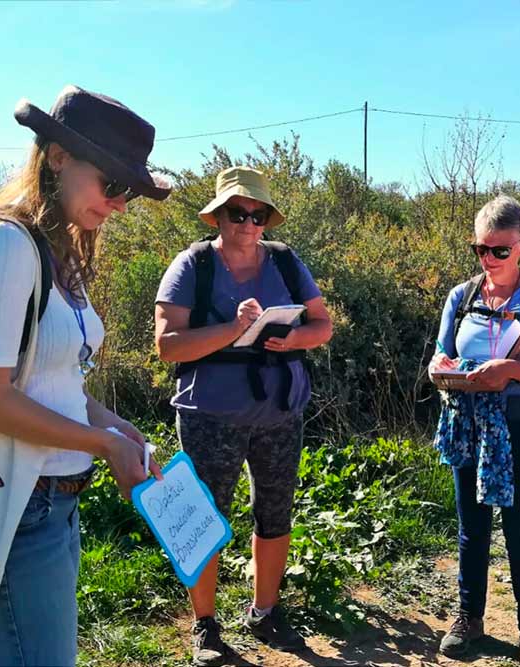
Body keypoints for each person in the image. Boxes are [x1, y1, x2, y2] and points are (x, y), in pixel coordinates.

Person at [0, 85, 168, 666]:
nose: (120, 204)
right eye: (114, 184)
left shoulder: (54, 252)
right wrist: (100, 442)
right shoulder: (3, 246)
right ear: (58, 156)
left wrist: (116, 427)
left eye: (130, 193)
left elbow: (52, 382)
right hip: (13, 509)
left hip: (52, 506)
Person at [154, 166, 333, 666]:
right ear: (218, 217)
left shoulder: (285, 261)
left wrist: (293, 337)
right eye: (238, 213)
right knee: (203, 519)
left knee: (275, 513)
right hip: (210, 415)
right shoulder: (192, 266)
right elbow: (168, 345)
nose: (249, 224)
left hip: (280, 411)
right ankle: (205, 626)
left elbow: (323, 325)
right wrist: (233, 329)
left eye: (258, 215)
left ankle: (265, 611)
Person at [429, 195, 520, 667]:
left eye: (499, 250)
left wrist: (509, 369)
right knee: (472, 527)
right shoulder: (460, 296)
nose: (488, 259)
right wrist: (442, 368)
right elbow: (439, 354)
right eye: (480, 249)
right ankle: (470, 618)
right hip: (467, 424)